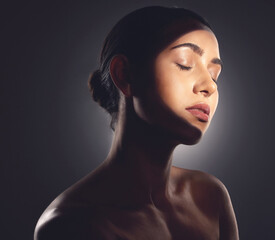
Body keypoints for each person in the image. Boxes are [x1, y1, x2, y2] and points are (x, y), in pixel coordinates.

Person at [34, 6, 239, 240]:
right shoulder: (69, 225)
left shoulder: (210, 198)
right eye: (185, 64)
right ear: (125, 74)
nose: (210, 86)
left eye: (214, 74)